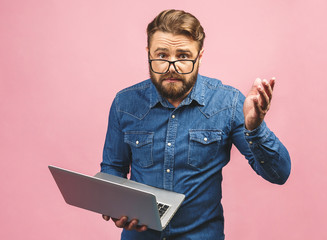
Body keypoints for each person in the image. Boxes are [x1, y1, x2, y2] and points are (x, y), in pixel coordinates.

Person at [100, 9, 291, 240]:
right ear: (148, 53)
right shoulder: (125, 103)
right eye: (161, 55)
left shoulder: (228, 103)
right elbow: (113, 169)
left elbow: (279, 174)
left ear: (199, 56)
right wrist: (114, 205)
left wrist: (255, 128)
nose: (171, 66)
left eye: (183, 56)